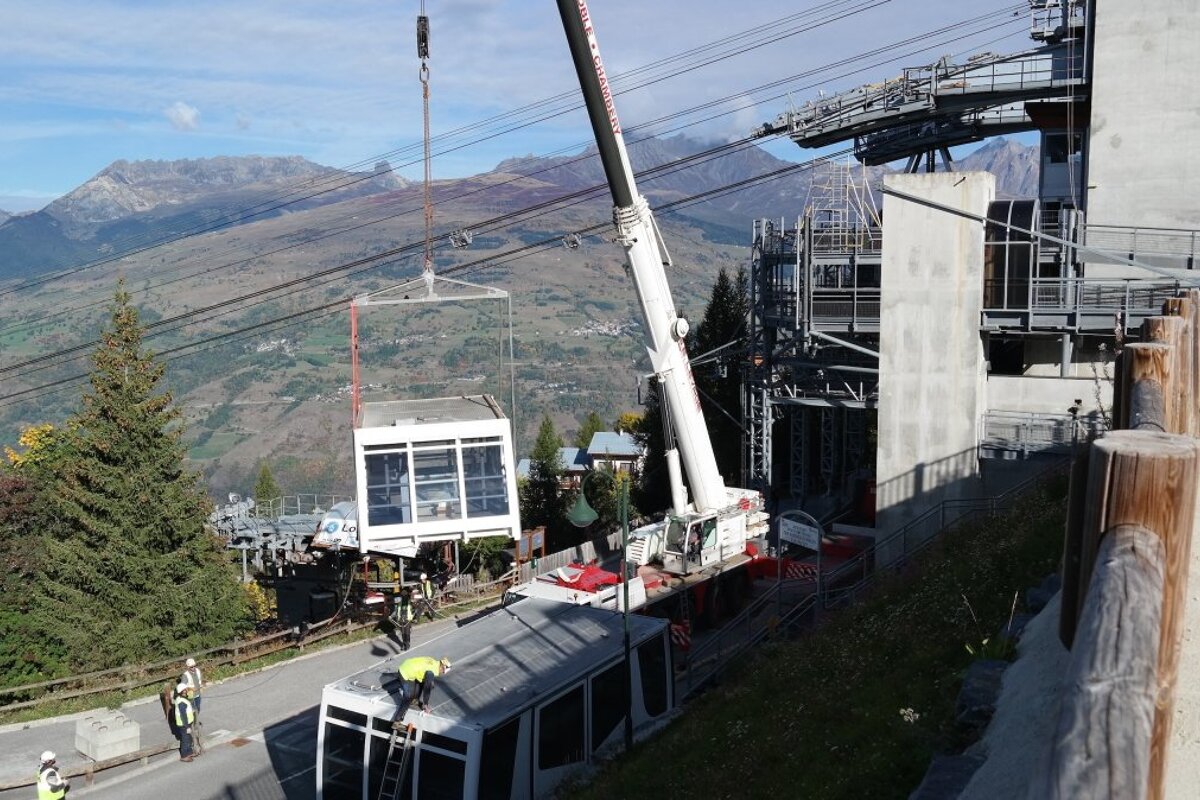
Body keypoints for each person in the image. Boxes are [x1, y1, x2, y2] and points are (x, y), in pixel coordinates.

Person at [174, 683, 198, 762]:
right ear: (182, 691)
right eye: (186, 689)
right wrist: (187, 726)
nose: (187, 690)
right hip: (184, 724)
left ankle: (189, 752)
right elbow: (183, 715)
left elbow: (189, 703)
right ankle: (184, 755)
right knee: (185, 739)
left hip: (187, 723)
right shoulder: (181, 702)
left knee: (188, 738)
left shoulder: (182, 698)